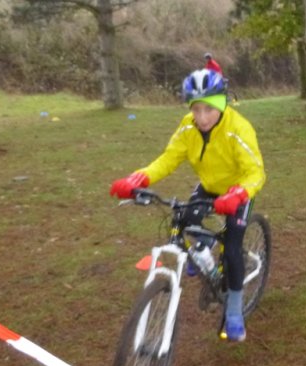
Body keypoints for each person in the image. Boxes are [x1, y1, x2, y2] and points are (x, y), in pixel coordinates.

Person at [109, 68, 265, 342]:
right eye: (196, 109)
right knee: (184, 221)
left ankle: (234, 310)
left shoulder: (238, 129)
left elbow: (256, 172)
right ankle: (202, 255)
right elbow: (169, 159)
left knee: (231, 250)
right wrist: (139, 178)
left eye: (209, 109)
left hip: (238, 191)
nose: (202, 118)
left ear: (221, 104)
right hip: (208, 186)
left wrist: (238, 194)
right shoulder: (188, 126)